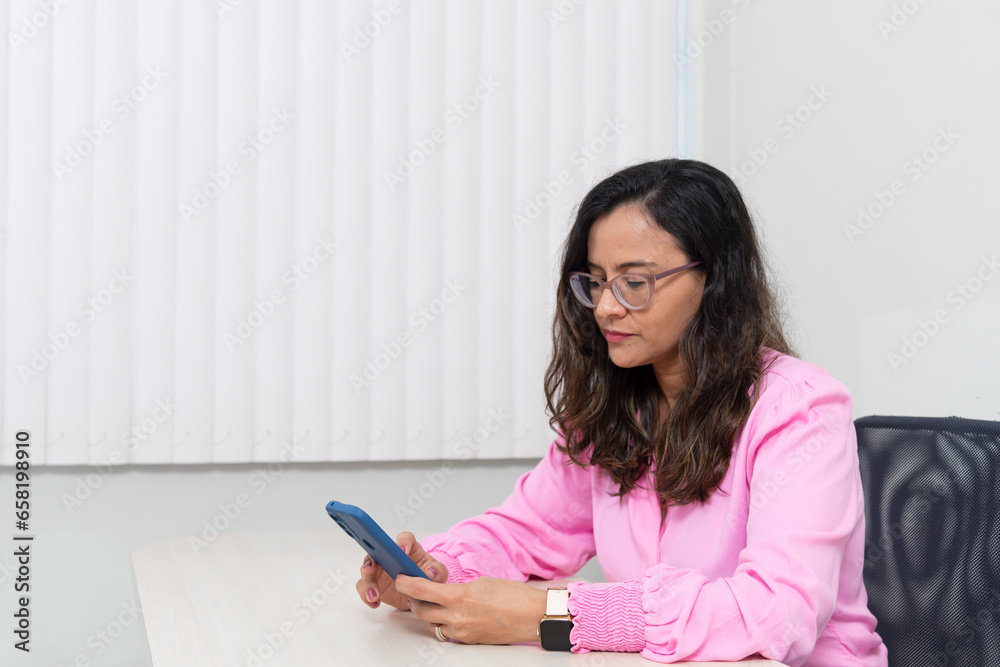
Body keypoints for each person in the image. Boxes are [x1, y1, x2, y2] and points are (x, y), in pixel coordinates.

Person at [356, 159, 888, 665]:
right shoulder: (615, 410)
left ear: (714, 280)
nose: (607, 307)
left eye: (634, 283)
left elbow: (777, 615)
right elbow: (524, 533)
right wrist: (435, 572)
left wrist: (547, 614)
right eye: (595, 281)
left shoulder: (800, 409)